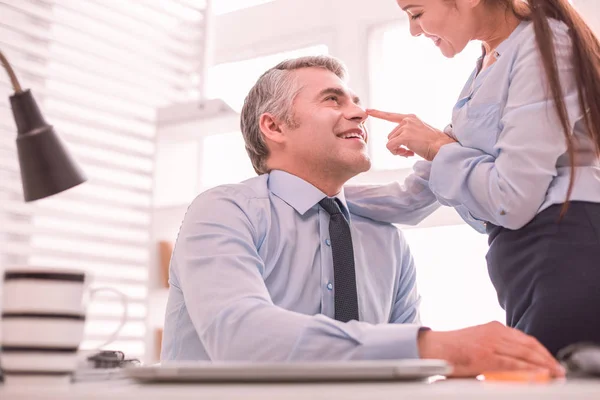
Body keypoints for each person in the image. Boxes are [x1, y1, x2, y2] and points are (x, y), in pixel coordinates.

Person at [160, 55, 563, 377]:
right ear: (274, 126)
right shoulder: (223, 212)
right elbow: (242, 338)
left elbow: (405, 374)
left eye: (355, 101)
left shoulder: (386, 239)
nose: (359, 113)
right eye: (333, 100)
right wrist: (437, 347)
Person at [345, 0, 600, 356]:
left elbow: (511, 200)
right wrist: (322, 191)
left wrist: (437, 145)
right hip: (534, 266)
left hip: (568, 257)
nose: (414, 30)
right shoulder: (489, 60)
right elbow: (412, 196)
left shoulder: (544, 46)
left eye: (416, 13)